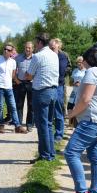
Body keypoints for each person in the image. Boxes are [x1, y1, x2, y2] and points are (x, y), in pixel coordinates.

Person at [63, 47, 97, 193]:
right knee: (95, 156)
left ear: (87, 60)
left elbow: (85, 99)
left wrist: (70, 115)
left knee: (71, 152)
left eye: (83, 60)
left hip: (92, 121)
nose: (82, 63)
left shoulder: (92, 73)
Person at [26, 33, 59, 162]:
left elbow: (29, 75)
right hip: (53, 91)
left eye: (36, 42)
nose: (35, 44)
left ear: (40, 42)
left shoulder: (38, 56)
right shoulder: (54, 55)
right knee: (49, 124)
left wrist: (28, 75)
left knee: (42, 125)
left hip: (41, 92)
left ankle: (45, 155)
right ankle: (50, 153)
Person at [0, 43, 28, 134]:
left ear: (12, 52)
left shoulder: (13, 62)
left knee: (12, 106)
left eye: (8, 50)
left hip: (9, 87)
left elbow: (13, 74)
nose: (5, 51)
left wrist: (16, 81)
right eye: (5, 49)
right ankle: (1, 125)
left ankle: (17, 126)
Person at [50, 38, 70, 142]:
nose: (51, 48)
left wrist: (64, 74)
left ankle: (59, 134)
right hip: (49, 85)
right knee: (49, 110)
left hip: (59, 85)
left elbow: (65, 69)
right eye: (50, 47)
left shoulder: (63, 56)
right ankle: (49, 133)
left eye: (53, 47)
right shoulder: (48, 55)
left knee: (58, 110)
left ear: (58, 46)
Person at [14, 41, 34, 131]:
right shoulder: (18, 58)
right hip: (20, 83)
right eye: (26, 47)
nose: (27, 49)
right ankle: (19, 124)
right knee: (19, 104)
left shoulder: (36, 58)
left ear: (32, 49)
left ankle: (29, 124)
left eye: (29, 48)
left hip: (31, 83)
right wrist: (16, 80)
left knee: (31, 105)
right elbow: (13, 70)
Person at [67, 56, 86, 127]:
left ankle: (77, 123)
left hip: (81, 92)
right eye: (77, 63)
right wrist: (74, 83)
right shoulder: (75, 70)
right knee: (70, 107)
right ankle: (70, 122)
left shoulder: (86, 71)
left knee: (78, 107)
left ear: (83, 62)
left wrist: (81, 84)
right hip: (74, 91)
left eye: (80, 62)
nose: (79, 64)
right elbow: (70, 82)